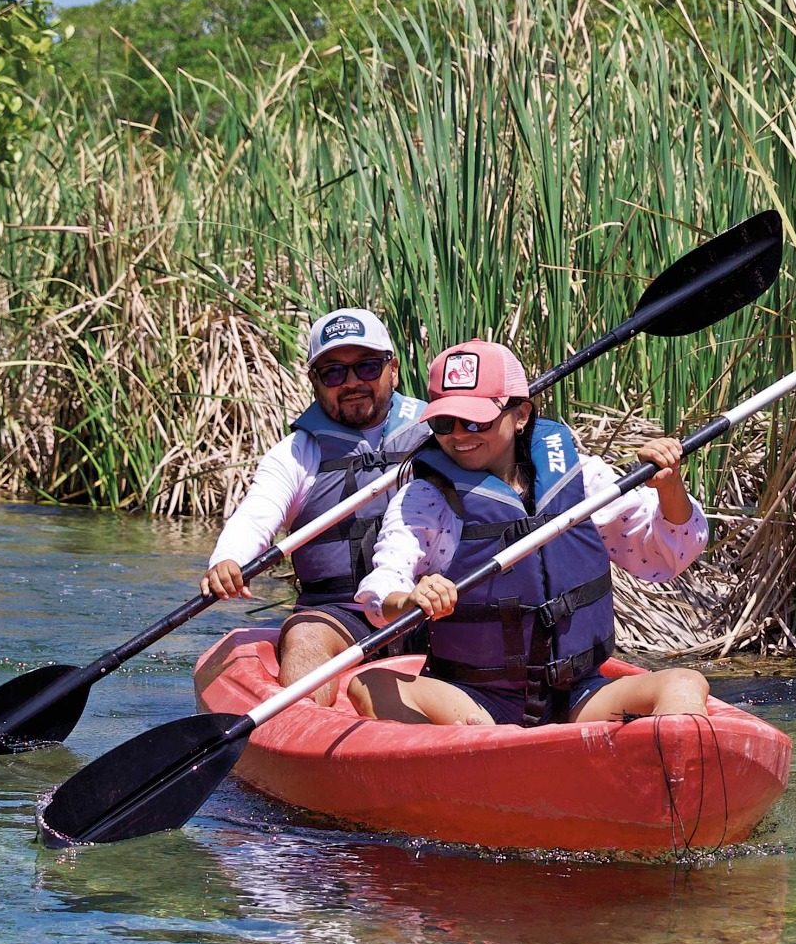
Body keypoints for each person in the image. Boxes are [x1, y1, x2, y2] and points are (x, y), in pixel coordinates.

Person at [347, 338, 713, 727]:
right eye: (443, 422)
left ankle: (667, 772)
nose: (458, 435)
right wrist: (409, 600)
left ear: (520, 415)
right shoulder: (427, 497)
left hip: (577, 695)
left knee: (685, 683)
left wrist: (670, 487)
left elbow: (665, 555)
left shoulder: (582, 481)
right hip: (471, 704)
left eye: (476, 421)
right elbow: (381, 588)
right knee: (368, 685)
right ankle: (473, 763)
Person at [202, 307, 425, 699]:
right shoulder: (297, 453)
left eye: (367, 367)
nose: (352, 382)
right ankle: (305, 724)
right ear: (315, 382)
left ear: (393, 368)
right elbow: (257, 514)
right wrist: (229, 560)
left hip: (433, 605)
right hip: (341, 615)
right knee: (305, 637)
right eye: (334, 372)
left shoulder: (439, 432)